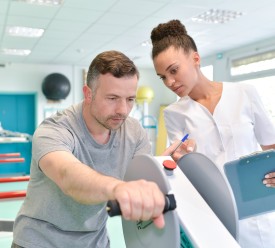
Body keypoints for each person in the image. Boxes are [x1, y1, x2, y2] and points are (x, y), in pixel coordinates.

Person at [11, 50, 194, 248]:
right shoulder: (54, 129)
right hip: (38, 242)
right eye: (113, 98)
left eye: (130, 99)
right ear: (88, 94)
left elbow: (139, 181)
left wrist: (163, 168)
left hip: (94, 242)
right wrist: (117, 188)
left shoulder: (134, 132)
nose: (123, 110)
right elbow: (67, 175)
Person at [150, 19, 275, 248]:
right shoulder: (174, 113)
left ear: (195, 59)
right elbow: (180, 169)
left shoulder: (245, 93)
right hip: (210, 213)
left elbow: (272, 147)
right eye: (162, 77)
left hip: (256, 215)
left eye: (174, 70)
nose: (169, 82)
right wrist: (178, 161)